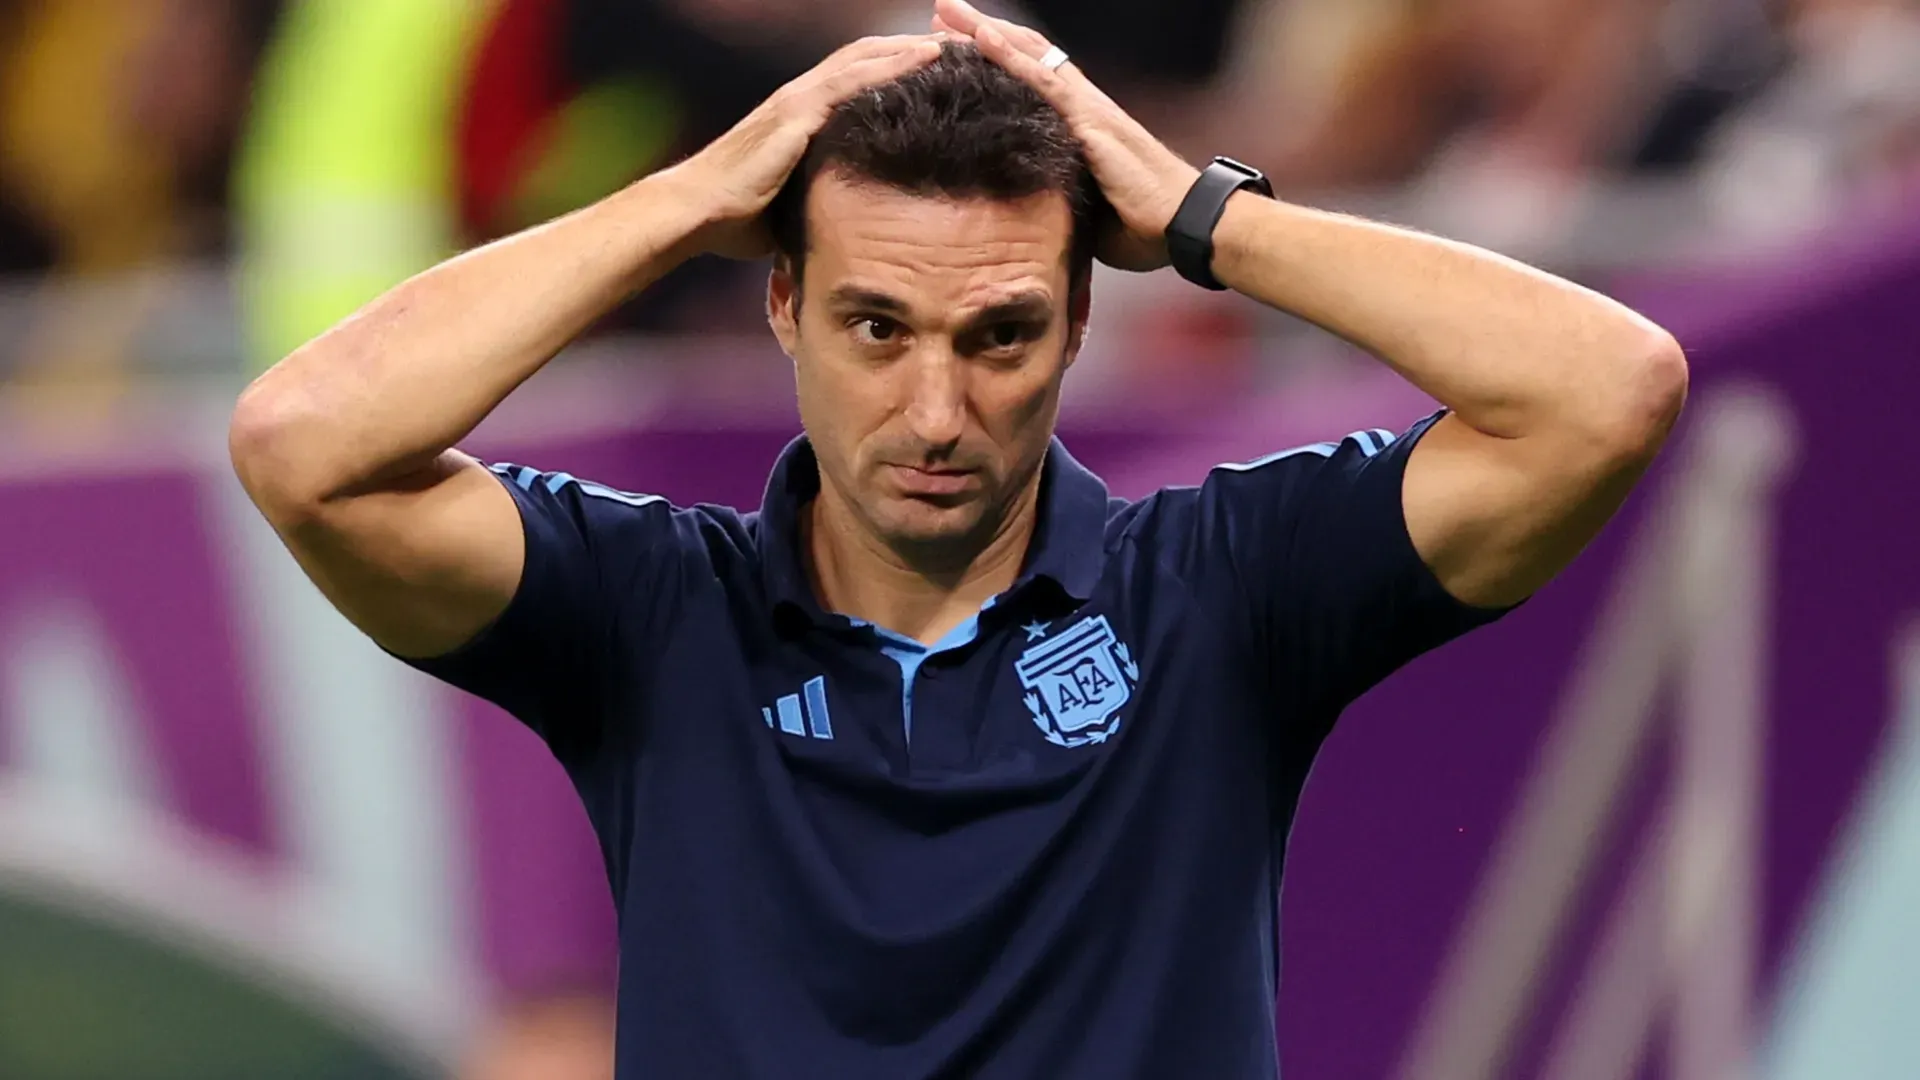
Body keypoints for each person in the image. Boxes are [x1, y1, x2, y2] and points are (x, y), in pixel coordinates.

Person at [227, 1, 1688, 1075]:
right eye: (877, 327)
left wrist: (1198, 211)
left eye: (1001, 334)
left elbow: (1606, 392)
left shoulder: (1222, 589)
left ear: (1079, 319)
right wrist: (687, 200)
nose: (937, 410)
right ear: (782, 301)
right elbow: (306, 445)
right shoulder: (653, 612)